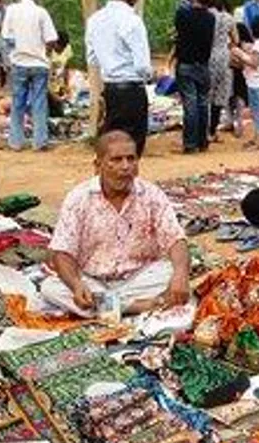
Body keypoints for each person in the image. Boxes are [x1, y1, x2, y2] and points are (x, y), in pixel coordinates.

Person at [41, 130, 190, 317]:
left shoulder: (152, 195)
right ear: (98, 165)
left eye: (131, 159)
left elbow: (176, 239)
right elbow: (62, 252)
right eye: (116, 160)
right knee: (51, 287)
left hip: (139, 279)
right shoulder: (79, 198)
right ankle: (133, 307)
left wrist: (180, 275)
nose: (125, 166)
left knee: (172, 272)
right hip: (92, 280)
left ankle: (107, 308)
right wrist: (77, 285)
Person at [86, 0, 153, 154]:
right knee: (131, 148)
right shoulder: (132, 20)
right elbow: (142, 65)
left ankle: (106, 181)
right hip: (131, 91)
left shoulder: (95, 20)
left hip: (111, 90)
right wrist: (150, 75)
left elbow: (92, 59)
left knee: (112, 146)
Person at [1, 0, 60, 152]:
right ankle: (39, 141)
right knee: (39, 102)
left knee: (18, 102)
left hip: (19, 61)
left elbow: (6, 37)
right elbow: (51, 39)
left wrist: (12, 56)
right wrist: (44, 52)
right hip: (39, 63)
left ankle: (15, 142)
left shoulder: (11, 10)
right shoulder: (41, 12)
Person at [173, 0, 215, 154]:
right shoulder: (211, 18)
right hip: (203, 65)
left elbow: (178, 31)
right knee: (203, 103)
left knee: (190, 105)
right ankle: (202, 141)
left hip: (186, 63)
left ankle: (190, 144)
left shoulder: (183, 15)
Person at [236, 15, 259, 149]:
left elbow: (254, 63)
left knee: (257, 112)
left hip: (255, 82)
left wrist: (240, 54)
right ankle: (257, 137)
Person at [206, 0, 237, 143]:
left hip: (208, 57)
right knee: (219, 96)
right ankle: (213, 131)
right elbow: (235, 39)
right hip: (223, 57)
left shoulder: (208, 16)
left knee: (206, 94)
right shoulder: (229, 19)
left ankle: (203, 130)